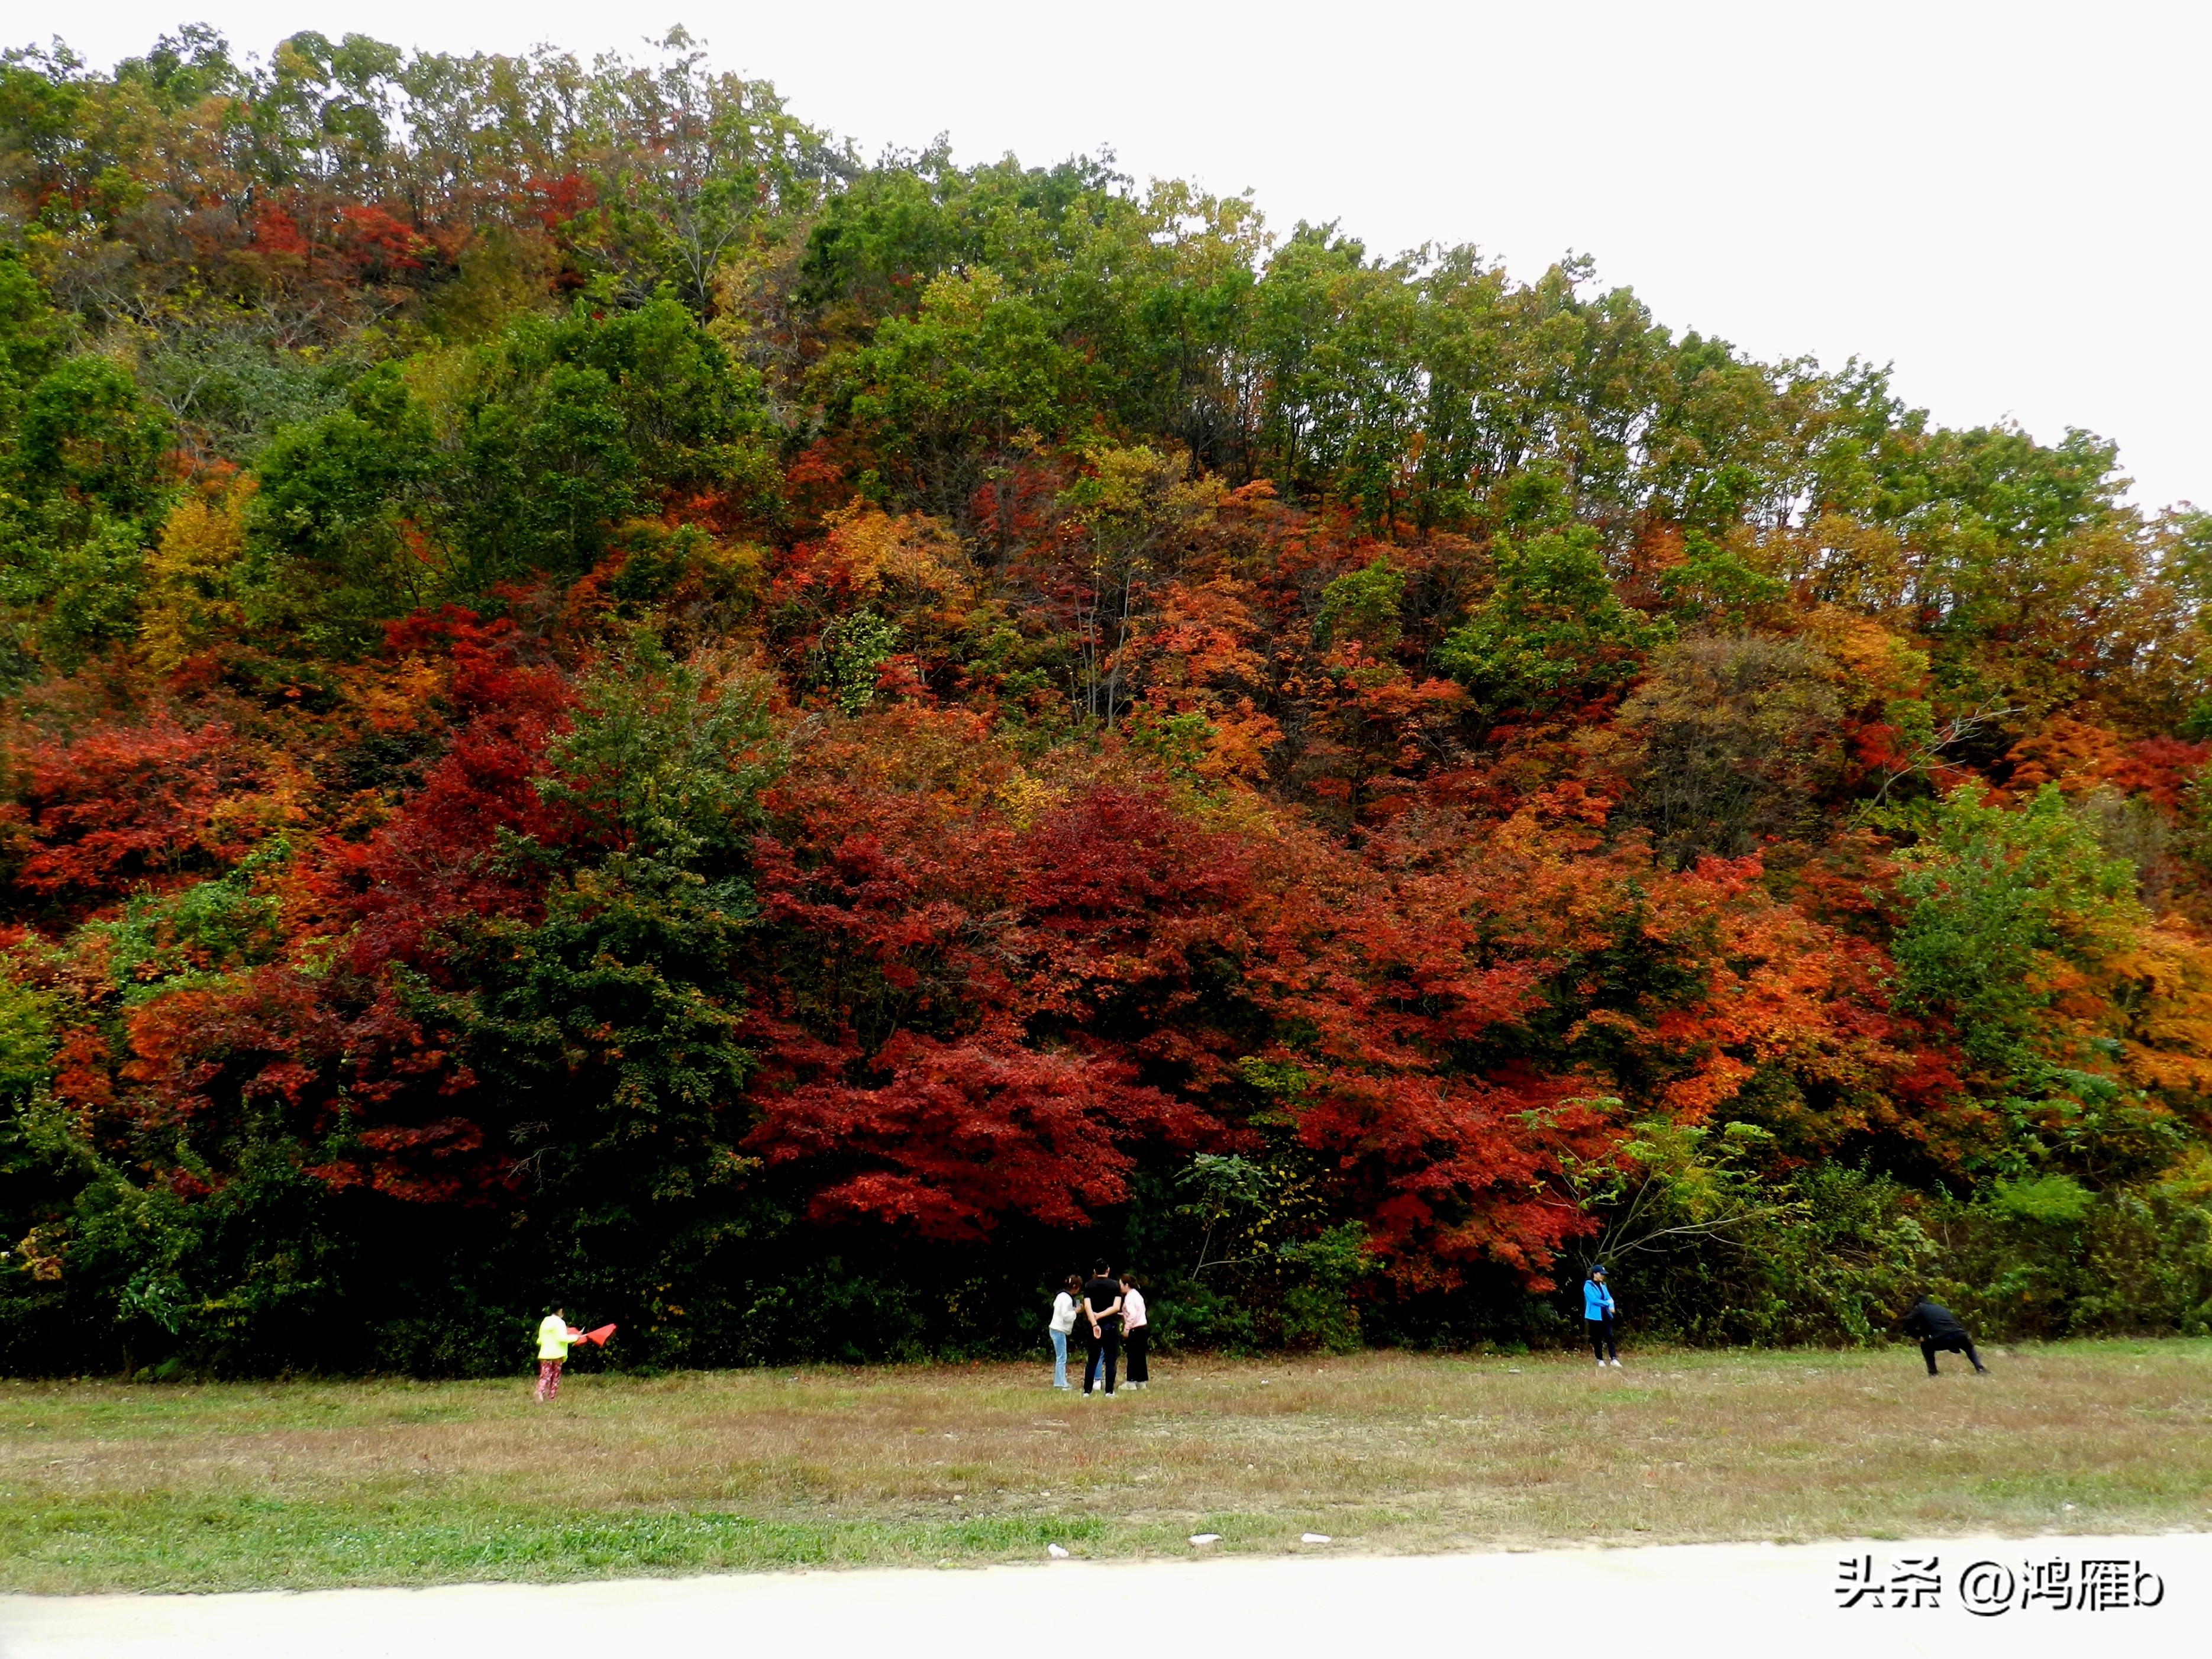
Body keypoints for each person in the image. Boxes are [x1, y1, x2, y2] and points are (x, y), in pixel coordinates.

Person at [1901, 1296, 1988, 1376]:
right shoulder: (1940, 1308)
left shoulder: (1920, 1308)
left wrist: (1918, 1336)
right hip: (1958, 1333)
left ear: (1917, 1304)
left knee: (1925, 1345)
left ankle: (1933, 1373)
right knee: (1969, 1347)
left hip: (1939, 1338)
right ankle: (1980, 1368)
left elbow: (1907, 1323)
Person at [1080, 1261, 1123, 1398]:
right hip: (1111, 1326)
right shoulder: (1115, 1285)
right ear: (1108, 1270)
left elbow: (1087, 1307)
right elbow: (1116, 1307)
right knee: (1110, 1360)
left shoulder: (1089, 1285)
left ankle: (1087, 1390)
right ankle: (1109, 1391)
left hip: (1094, 1328)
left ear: (1094, 1271)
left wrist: (1094, 1323)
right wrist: (1102, 1315)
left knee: (1092, 1359)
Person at [535, 1306, 580, 1402]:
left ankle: (540, 1392)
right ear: (560, 1311)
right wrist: (576, 1337)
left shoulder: (545, 1321)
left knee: (545, 1375)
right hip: (558, 1354)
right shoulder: (560, 1323)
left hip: (545, 1353)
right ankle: (551, 1397)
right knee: (555, 1376)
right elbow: (562, 1338)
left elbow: (540, 1340)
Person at [1047, 1274, 1081, 1390]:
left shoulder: (1060, 1296)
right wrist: (1075, 1312)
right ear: (1075, 1287)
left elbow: (1056, 1306)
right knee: (1062, 1357)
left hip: (1055, 1328)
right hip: (1059, 1329)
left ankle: (1059, 1381)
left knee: (1060, 1356)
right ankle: (1061, 1383)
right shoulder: (1067, 1299)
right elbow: (1066, 1316)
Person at [1584, 1266, 1620, 1369]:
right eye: (1601, 1274)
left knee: (1609, 1336)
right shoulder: (1588, 1286)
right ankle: (1600, 1359)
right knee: (1597, 1338)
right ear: (1595, 1274)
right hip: (1594, 1316)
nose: (1603, 1276)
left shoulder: (1603, 1286)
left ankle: (1614, 1358)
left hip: (1605, 1314)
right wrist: (1607, 1304)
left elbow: (1609, 1298)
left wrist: (1611, 1306)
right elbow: (1593, 1300)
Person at [1120, 1272, 1149, 1390]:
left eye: (1121, 1285)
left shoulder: (1129, 1298)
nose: (1120, 1287)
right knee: (1140, 1356)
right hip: (1143, 1327)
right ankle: (1141, 1381)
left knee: (1132, 1355)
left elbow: (1132, 1313)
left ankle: (1131, 1382)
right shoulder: (1137, 1295)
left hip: (1135, 1329)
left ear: (1127, 1285)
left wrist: (1127, 1328)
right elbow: (1140, 1311)